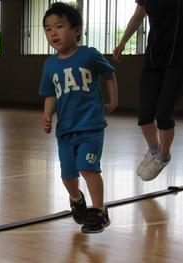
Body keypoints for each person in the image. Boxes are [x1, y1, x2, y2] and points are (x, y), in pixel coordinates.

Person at [113, 0, 183, 181]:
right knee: (145, 112)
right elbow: (138, 16)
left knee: (163, 112)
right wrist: (122, 43)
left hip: (182, 53)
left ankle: (163, 156)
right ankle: (153, 150)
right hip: (155, 53)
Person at [39, 2, 118, 233]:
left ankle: (99, 211)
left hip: (91, 126)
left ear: (76, 30)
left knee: (88, 167)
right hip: (65, 130)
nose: (53, 32)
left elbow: (109, 75)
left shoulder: (89, 55)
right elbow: (51, 93)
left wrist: (113, 101)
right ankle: (76, 199)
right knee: (68, 174)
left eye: (59, 26)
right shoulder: (50, 65)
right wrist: (46, 116)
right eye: (48, 29)